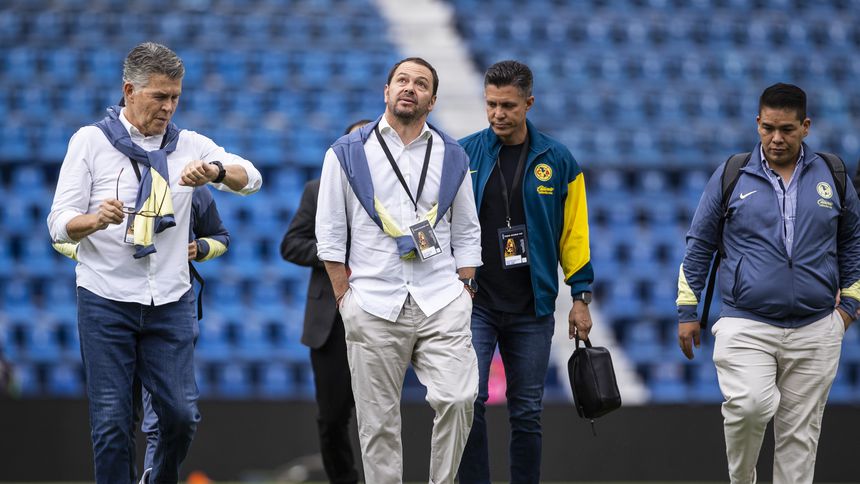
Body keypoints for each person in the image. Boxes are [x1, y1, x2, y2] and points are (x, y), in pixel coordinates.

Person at [47, 42, 262, 484]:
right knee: (110, 425)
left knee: (181, 416)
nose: (168, 107)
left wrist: (216, 172)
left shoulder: (191, 146)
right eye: (159, 97)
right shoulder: (89, 142)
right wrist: (93, 220)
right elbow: (58, 224)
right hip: (105, 298)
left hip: (169, 299)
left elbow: (251, 177)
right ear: (129, 90)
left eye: (175, 97)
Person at [677, 83, 860, 484]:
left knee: (800, 438)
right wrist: (687, 311)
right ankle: (742, 480)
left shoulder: (834, 174)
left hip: (816, 327)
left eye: (787, 130)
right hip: (747, 322)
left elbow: (853, 242)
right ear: (758, 123)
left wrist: (848, 307)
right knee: (749, 406)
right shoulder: (731, 173)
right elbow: (699, 243)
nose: (776, 138)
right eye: (768, 128)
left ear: (806, 126)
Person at [315, 57, 482, 484]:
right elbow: (330, 233)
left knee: (460, 397)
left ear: (432, 99)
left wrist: (465, 288)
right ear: (386, 91)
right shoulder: (346, 152)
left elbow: (466, 229)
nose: (410, 88)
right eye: (402, 81)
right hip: (371, 302)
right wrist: (344, 298)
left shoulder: (453, 155)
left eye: (421, 83)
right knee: (378, 425)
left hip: (441, 298)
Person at [457, 60, 594, 484]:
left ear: (529, 103)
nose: (498, 113)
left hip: (532, 307)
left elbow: (575, 234)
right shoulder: (463, 153)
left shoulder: (559, 160)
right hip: (476, 303)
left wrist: (580, 298)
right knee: (468, 401)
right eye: (492, 104)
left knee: (527, 413)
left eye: (508, 105)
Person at [54, 183, 230, 473]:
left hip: (166, 309)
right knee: (115, 420)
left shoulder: (193, 188)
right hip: (112, 308)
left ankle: (154, 477)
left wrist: (199, 248)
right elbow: (59, 235)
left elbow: (222, 237)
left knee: (168, 416)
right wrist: (100, 255)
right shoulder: (105, 179)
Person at [279, 119, 370, 484]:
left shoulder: (398, 195)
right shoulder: (317, 191)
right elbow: (291, 245)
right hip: (329, 323)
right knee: (332, 416)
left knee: (378, 414)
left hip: (384, 314)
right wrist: (333, 254)